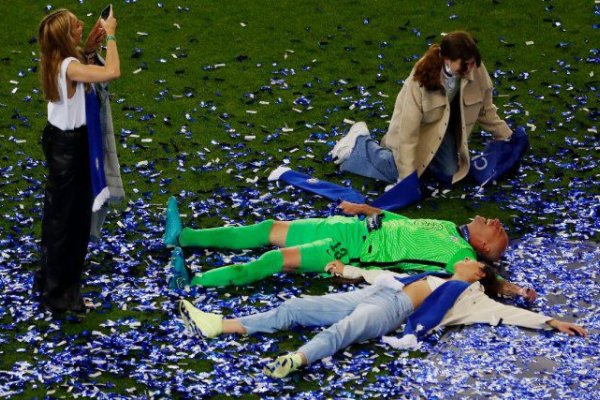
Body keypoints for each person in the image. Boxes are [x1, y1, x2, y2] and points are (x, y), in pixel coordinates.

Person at [177, 258, 587, 378]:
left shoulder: (474, 297)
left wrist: (552, 322)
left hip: (394, 311)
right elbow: (384, 276)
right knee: (296, 307)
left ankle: (296, 360)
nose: (461, 259)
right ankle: (219, 324)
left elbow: (509, 313)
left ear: (478, 271)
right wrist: (348, 272)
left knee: (344, 331)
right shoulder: (437, 275)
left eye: (469, 260)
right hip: (379, 292)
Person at [163, 197, 534, 300]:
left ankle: (193, 282)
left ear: (484, 248)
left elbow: (485, 279)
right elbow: (398, 222)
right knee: (266, 229)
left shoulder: (461, 256)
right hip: (350, 226)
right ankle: (184, 237)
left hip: (346, 250)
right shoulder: (447, 226)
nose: (499, 224)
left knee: (275, 259)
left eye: (500, 233)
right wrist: (366, 209)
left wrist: (513, 288)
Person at [330, 31, 513, 186]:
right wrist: (406, 179)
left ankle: (425, 161)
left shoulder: (476, 69)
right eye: (465, 64)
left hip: (444, 128)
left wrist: (507, 136)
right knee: (396, 170)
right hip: (414, 130)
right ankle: (360, 142)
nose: (472, 68)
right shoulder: (420, 79)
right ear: (447, 60)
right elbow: (408, 132)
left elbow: (485, 108)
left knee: (449, 172)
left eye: (473, 62)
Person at [36, 8, 120, 312]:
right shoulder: (70, 66)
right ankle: (62, 297)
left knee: (58, 220)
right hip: (71, 150)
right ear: (65, 37)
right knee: (72, 225)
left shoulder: (56, 59)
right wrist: (110, 36)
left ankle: (49, 282)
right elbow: (112, 71)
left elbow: (76, 72)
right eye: (75, 26)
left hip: (58, 143)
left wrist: (87, 49)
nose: (81, 24)